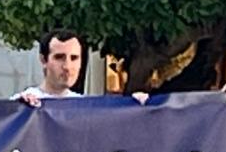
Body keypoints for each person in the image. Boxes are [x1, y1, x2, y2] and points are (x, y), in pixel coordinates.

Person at [17, 29, 147, 105]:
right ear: (43, 60)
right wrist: (18, 108)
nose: (67, 66)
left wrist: (133, 105)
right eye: (59, 57)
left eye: (74, 58)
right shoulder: (24, 101)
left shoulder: (84, 106)